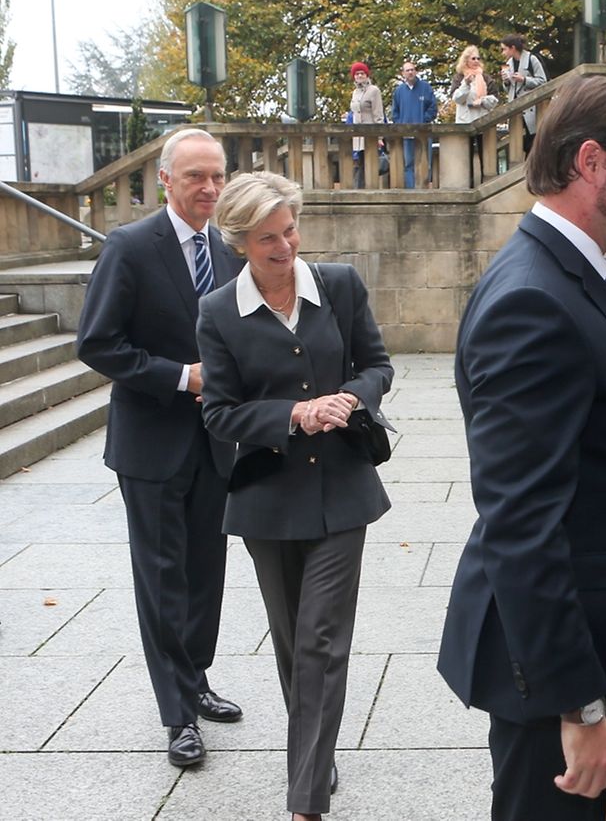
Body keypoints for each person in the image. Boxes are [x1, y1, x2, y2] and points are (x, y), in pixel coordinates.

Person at [439, 74, 606, 821]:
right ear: (592, 162)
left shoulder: (575, 272)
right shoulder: (532, 299)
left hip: (583, 638)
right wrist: (578, 703)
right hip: (549, 666)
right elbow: (521, 523)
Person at [197, 171, 393, 821]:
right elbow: (220, 415)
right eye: (266, 239)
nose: (284, 248)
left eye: (289, 231)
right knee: (291, 643)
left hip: (343, 492)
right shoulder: (219, 312)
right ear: (239, 245)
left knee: (320, 641)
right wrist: (292, 415)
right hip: (267, 501)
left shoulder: (338, 285)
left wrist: (353, 398)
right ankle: (318, 747)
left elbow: (377, 365)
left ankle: (304, 800)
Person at [76, 127, 245, 768]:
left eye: (217, 176)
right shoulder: (130, 247)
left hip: (218, 443)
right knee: (161, 579)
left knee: (206, 571)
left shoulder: (230, 249)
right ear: (165, 180)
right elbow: (98, 343)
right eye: (196, 176)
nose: (209, 187)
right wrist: (182, 377)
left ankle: (196, 680)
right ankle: (177, 714)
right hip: (152, 445)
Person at [450, 46, 500, 184]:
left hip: (482, 120)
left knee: (485, 153)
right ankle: (468, 183)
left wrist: (482, 101)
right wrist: (465, 84)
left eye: (478, 58)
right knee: (466, 154)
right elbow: (457, 99)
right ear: (466, 60)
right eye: (473, 58)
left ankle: (487, 182)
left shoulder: (485, 77)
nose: (476, 61)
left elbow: (495, 99)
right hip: (465, 121)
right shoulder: (459, 77)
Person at [389, 60, 438, 188]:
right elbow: (395, 113)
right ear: (403, 73)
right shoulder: (398, 91)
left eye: (412, 69)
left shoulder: (425, 87)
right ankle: (411, 192)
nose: (410, 72)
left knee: (425, 163)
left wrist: (423, 120)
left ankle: (423, 190)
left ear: (415, 71)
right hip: (406, 135)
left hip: (424, 133)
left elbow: (433, 108)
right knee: (408, 164)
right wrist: (401, 125)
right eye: (407, 70)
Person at [500, 33, 548, 155]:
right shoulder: (509, 64)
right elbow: (510, 90)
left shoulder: (532, 59)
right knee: (520, 143)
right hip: (516, 109)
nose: (503, 53)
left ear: (513, 48)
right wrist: (506, 82)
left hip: (531, 109)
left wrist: (524, 80)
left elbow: (543, 82)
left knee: (532, 140)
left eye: (504, 49)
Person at [348, 62, 385, 188]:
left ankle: (370, 192)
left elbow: (378, 114)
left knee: (370, 164)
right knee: (359, 164)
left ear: (366, 75)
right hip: (357, 137)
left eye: (362, 73)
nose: (359, 76)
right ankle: (359, 191)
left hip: (370, 134)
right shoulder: (354, 92)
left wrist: (379, 137)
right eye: (357, 73)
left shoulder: (374, 91)